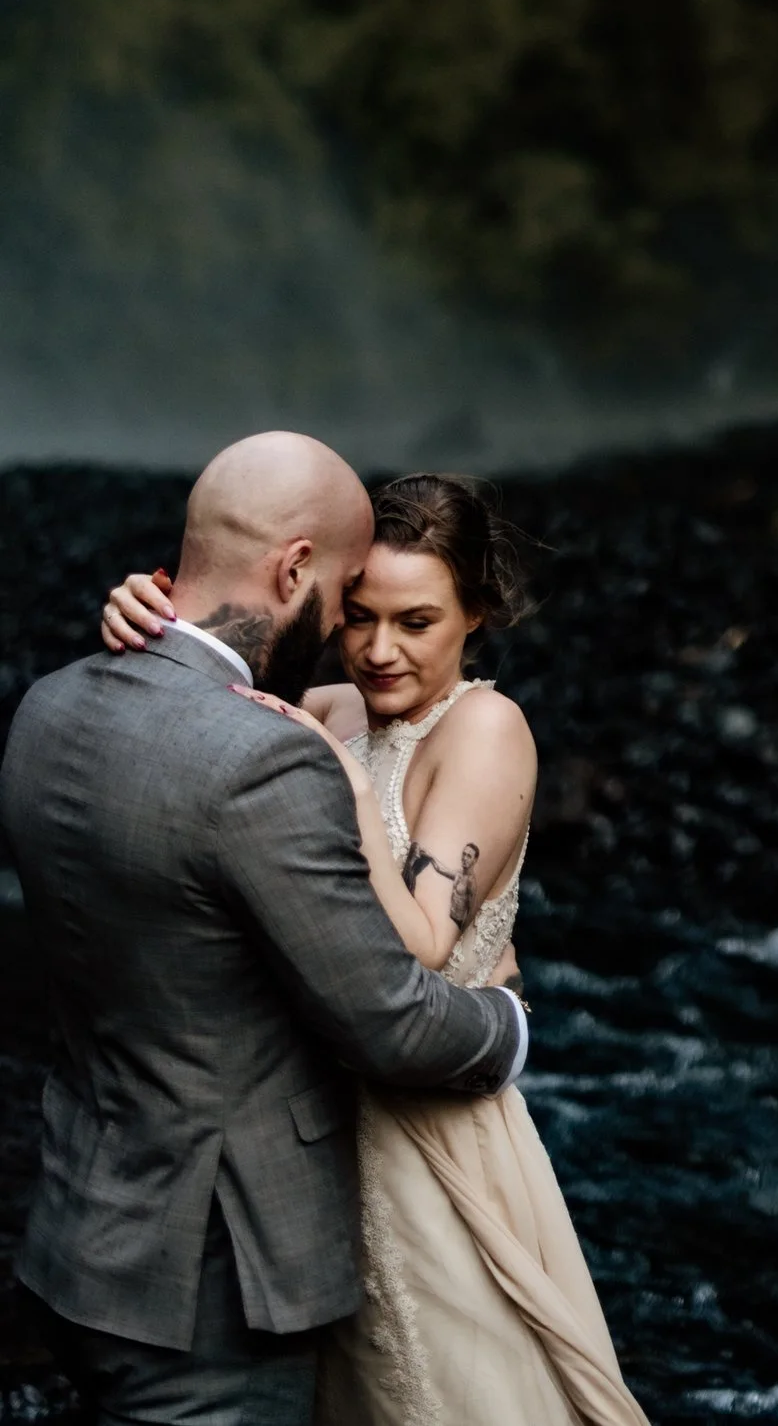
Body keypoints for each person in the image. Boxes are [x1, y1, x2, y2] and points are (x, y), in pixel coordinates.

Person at [0, 432, 528, 1425]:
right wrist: (511, 1022)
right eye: (343, 605)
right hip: (216, 1276)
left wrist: (146, 616)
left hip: (83, 1232)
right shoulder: (269, 758)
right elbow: (395, 1020)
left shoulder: (50, 706)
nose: (355, 641)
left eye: (411, 618)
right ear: (292, 568)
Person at [98, 473, 645, 1426]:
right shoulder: (342, 706)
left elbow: (425, 946)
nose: (380, 652)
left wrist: (347, 790)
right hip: (321, 1141)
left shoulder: (484, 727)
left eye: (418, 621)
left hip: (432, 1144)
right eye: (359, 618)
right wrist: (142, 617)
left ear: (477, 613)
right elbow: (197, 714)